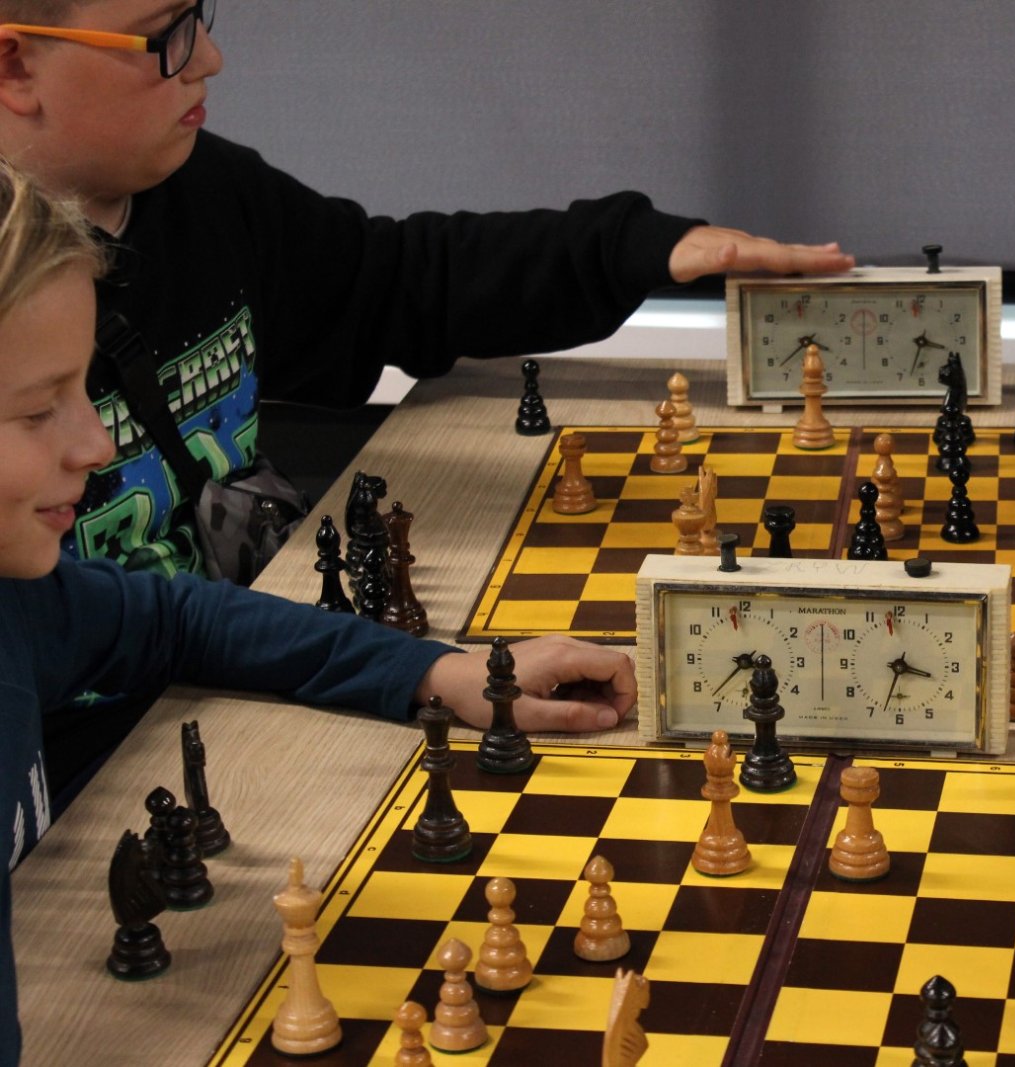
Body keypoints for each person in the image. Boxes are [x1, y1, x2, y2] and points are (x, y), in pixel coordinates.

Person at [0, 0, 852, 796]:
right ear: (14, 65)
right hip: (86, 763)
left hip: (243, 663)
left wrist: (631, 250)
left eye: (200, 16)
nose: (209, 59)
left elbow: (395, 282)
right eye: (165, 36)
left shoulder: (202, 193)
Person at [0, 162, 639, 1066]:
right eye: (39, 410)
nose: (97, 442)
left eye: (82, 390)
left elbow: (179, 620)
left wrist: (436, 669)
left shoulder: (23, 600)